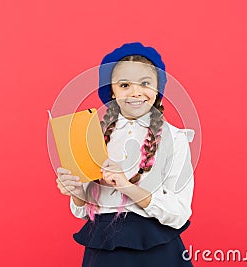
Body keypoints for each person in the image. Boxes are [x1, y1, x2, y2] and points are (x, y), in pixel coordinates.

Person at [56, 42, 195, 267]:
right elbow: (84, 210)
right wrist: (76, 192)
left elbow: (179, 212)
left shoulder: (176, 138)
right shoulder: (92, 136)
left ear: (157, 88)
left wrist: (126, 186)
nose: (136, 92)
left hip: (158, 252)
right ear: (112, 91)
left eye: (145, 83)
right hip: (104, 252)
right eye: (124, 85)